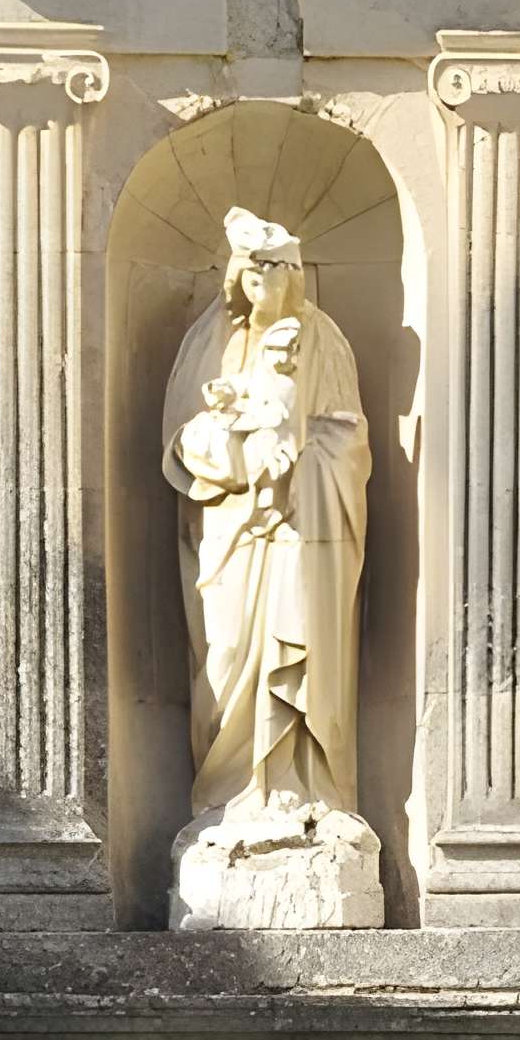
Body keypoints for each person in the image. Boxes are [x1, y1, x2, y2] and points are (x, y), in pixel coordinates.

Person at [162, 209, 372, 820]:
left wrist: (297, 457)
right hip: (230, 534)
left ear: (295, 274)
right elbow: (179, 442)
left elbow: (350, 442)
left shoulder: (322, 338)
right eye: (252, 266)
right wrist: (232, 447)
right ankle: (224, 805)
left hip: (301, 529)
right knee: (225, 653)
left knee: (303, 641)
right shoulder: (211, 341)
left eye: (275, 266)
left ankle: (307, 794)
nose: (262, 277)